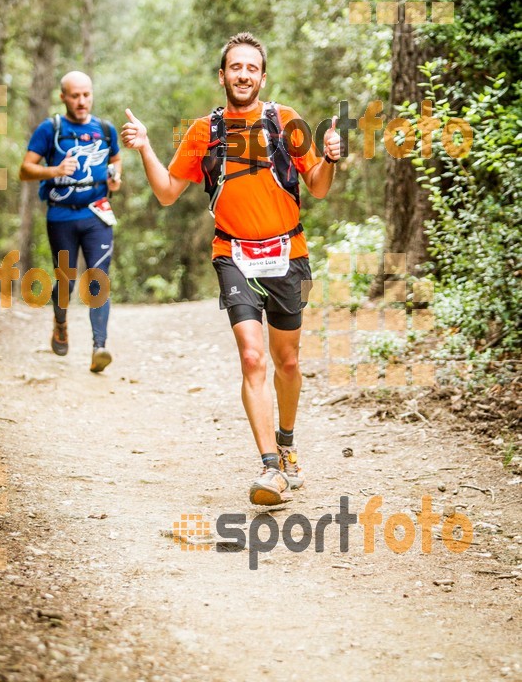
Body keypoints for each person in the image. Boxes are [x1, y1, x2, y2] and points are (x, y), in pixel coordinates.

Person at [121, 32, 341, 504]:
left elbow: (318, 188)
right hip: (233, 254)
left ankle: (287, 443)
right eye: (235, 67)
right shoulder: (204, 131)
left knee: (288, 361)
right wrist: (143, 147)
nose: (243, 75)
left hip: (288, 253)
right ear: (222, 75)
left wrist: (329, 158)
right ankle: (269, 469)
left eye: (252, 68)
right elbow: (165, 192)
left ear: (263, 76)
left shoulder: (286, 121)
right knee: (251, 357)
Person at [19, 71, 121, 373]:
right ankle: (60, 322)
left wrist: (116, 178)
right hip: (61, 216)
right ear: (63, 97)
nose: (81, 101)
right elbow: (25, 169)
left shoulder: (104, 128)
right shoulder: (50, 129)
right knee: (67, 282)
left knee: (99, 277)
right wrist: (56, 170)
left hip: (96, 215)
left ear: (91, 94)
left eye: (86, 95)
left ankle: (99, 347)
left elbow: (115, 160)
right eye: (75, 96)